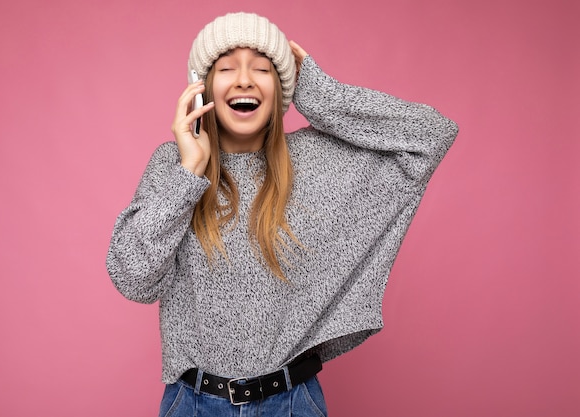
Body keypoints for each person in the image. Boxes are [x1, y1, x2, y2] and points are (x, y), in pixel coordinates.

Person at [106, 12, 458, 417]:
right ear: (201, 90)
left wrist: (321, 94)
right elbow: (132, 278)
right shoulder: (174, 166)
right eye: (225, 68)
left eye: (261, 68)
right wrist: (188, 175)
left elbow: (432, 134)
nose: (243, 80)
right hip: (193, 404)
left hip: (292, 403)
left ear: (281, 87)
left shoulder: (318, 163)